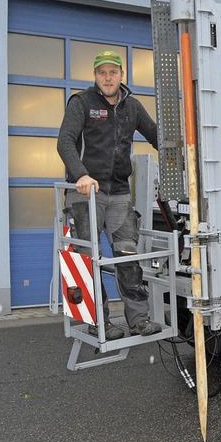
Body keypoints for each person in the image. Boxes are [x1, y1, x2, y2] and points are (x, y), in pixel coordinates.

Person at [57, 50, 161, 340]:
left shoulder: (132, 106)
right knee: (89, 259)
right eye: (102, 72)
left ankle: (139, 320)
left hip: (118, 194)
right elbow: (64, 141)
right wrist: (81, 174)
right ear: (95, 76)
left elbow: (156, 136)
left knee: (128, 256)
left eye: (112, 72)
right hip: (86, 194)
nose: (107, 77)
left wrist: (180, 145)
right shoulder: (82, 103)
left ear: (121, 75)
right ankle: (99, 321)